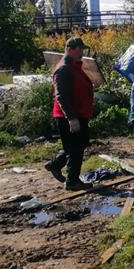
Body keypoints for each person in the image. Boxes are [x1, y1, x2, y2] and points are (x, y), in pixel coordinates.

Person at [44, 37, 94, 190]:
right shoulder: (64, 69)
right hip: (69, 115)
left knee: (78, 145)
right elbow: (61, 96)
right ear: (69, 50)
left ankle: (55, 164)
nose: (82, 53)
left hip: (79, 113)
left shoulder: (74, 66)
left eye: (83, 49)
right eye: (80, 50)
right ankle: (72, 182)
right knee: (75, 149)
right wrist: (71, 118)